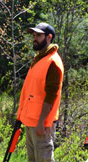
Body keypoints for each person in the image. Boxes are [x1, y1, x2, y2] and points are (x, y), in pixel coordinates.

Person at [17, 22, 64, 162]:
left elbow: (51, 97)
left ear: (49, 37)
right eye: (34, 35)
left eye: (38, 35)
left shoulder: (52, 62)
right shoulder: (39, 59)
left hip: (41, 124)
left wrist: (41, 122)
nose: (34, 38)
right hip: (31, 120)